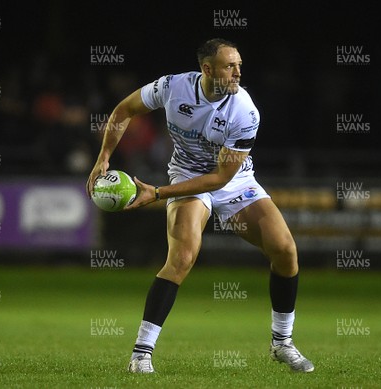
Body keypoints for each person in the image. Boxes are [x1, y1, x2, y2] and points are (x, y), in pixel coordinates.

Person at [86, 38, 314, 374]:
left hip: (234, 182)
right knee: (182, 256)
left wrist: (158, 193)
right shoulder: (173, 87)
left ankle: (282, 343)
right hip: (186, 176)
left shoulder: (245, 111)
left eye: (239, 65)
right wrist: (103, 156)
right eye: (229, 66)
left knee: (285, 250)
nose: (238, 72)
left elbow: (222, 177)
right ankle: (141, 354)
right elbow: (124, 110)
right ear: (207, 69)